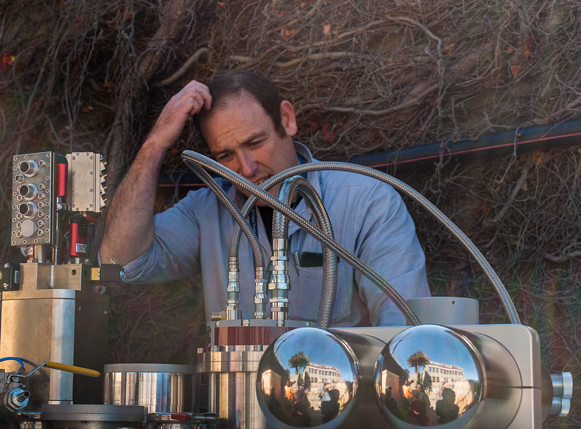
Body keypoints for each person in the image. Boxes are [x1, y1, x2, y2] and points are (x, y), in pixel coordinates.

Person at [99, 71, 430, 326]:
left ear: (286, 119)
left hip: (335, 407)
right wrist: (155, 143)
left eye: (256, 142)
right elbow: (120, 263)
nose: (247, 168)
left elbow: (403, 325)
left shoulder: (365, 202)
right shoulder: (206, 211)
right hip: (236, 407)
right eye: (226, 155)